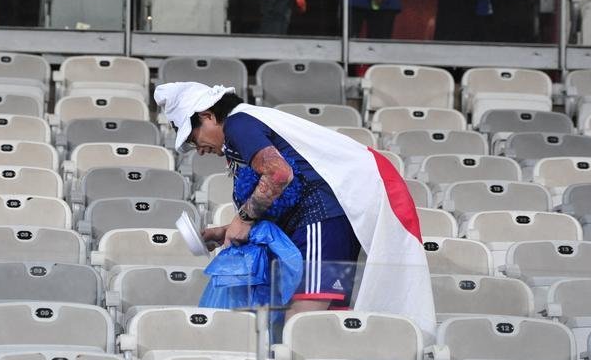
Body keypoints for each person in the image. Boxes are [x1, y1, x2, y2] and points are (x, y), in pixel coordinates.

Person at [154, 81, 435, 335]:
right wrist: (226, 230)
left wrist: (244, 218)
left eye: (193, 137)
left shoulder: (238, 124)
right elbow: (284, 193)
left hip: (320, 221)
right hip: (322, 224)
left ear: (208, 116)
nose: (198, 149)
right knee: (319, 329)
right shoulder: (247, 125)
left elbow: (279, 174)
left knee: (300, 329)